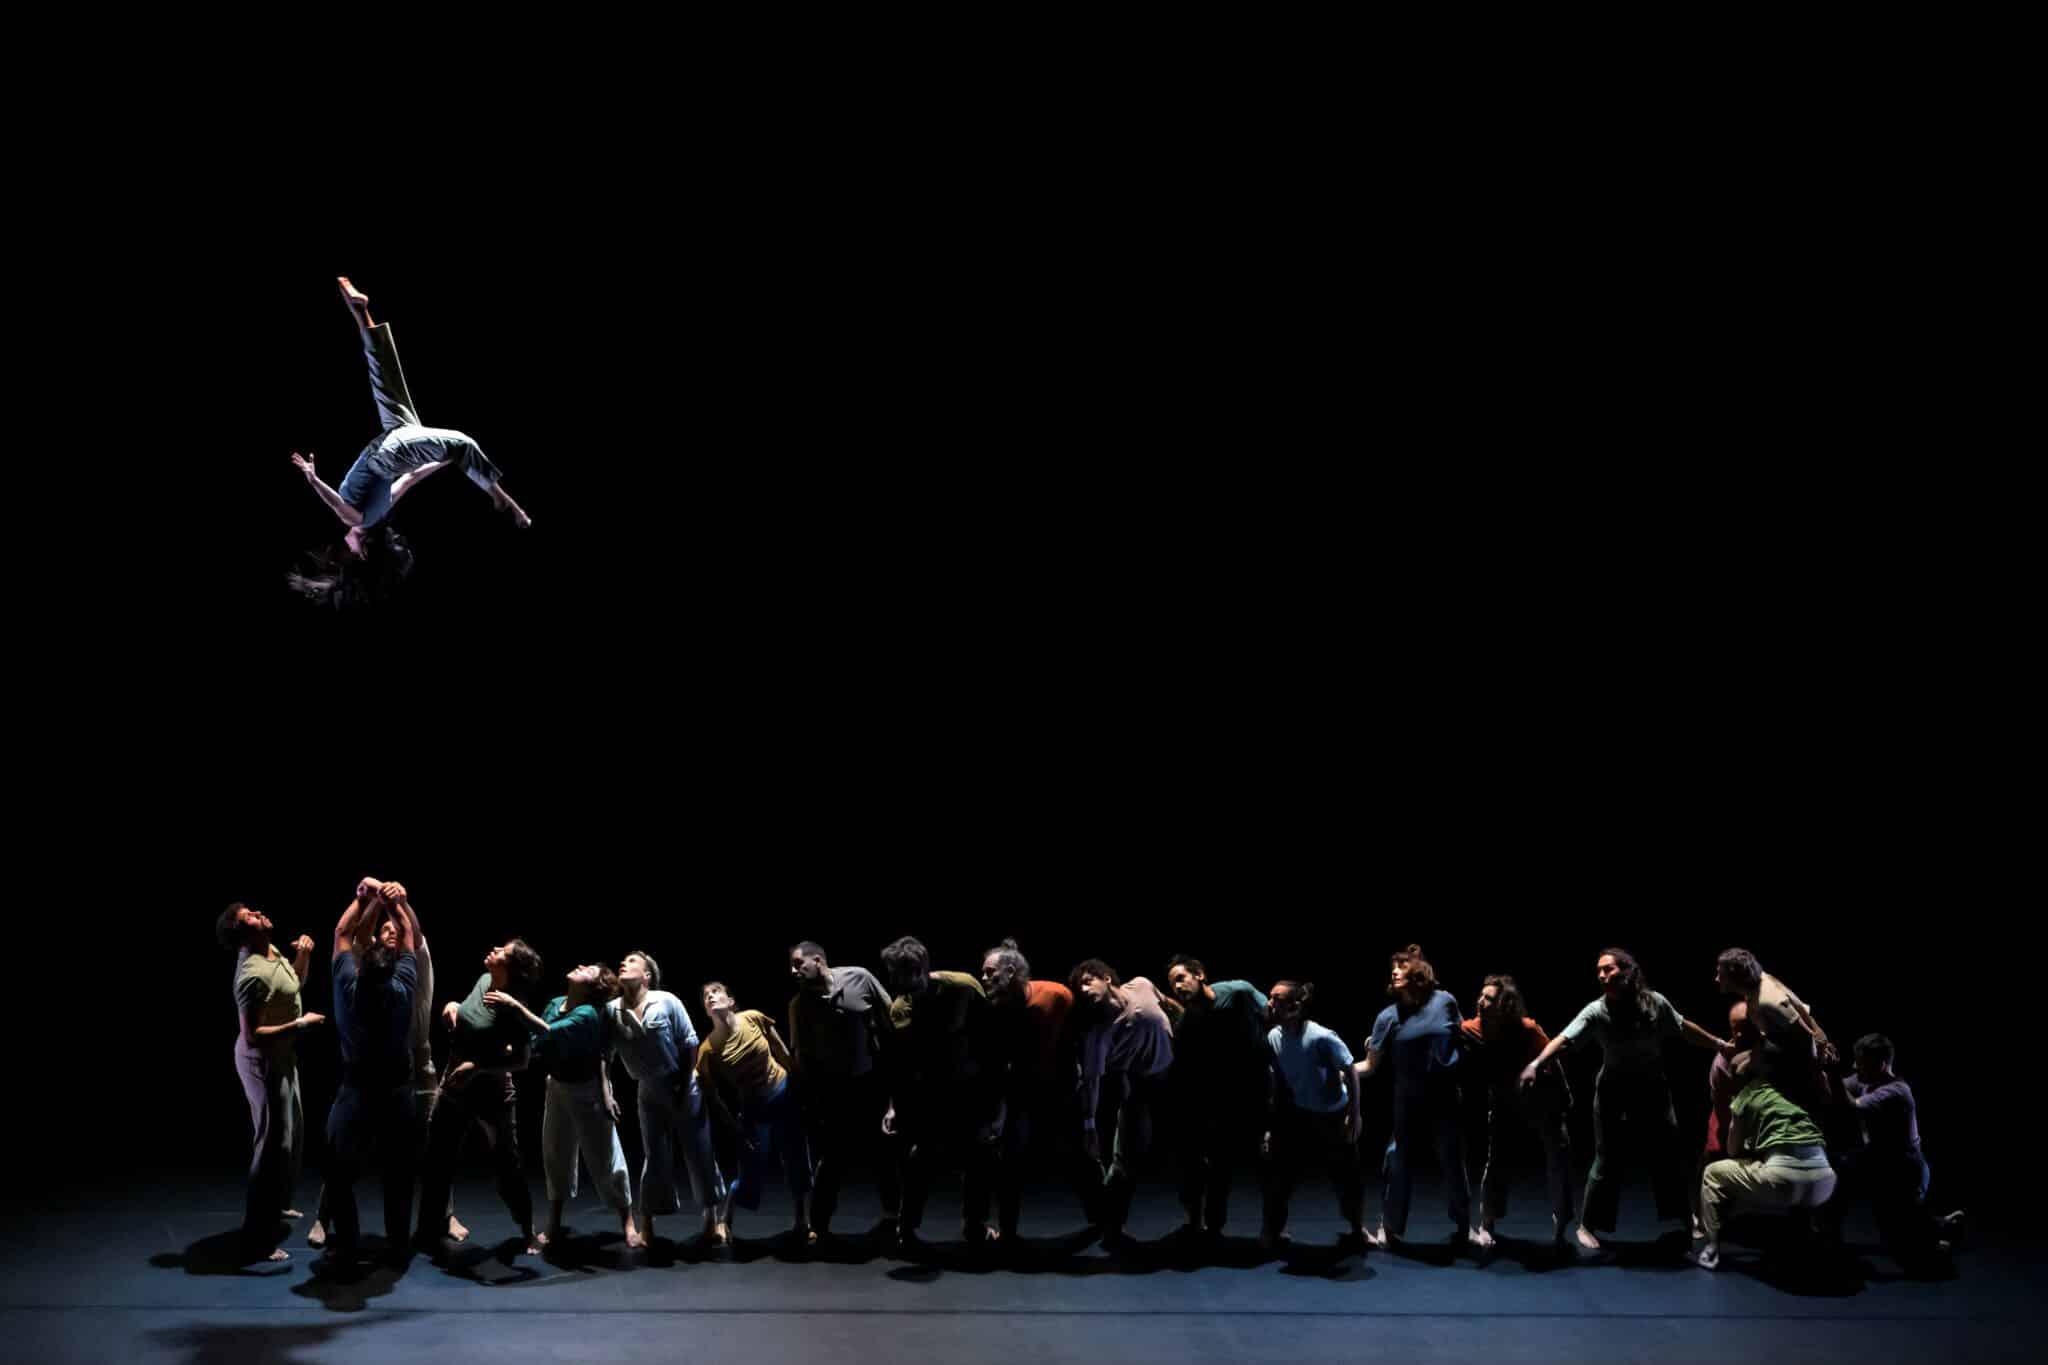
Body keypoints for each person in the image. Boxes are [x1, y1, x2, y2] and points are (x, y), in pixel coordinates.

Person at [287, 275, 530, 606]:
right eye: (349, 551)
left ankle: (360, 311)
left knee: (386, 374)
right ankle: (501, 499)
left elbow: (409, 478)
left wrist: (447, 459)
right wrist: (313, 479)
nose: (344, 544)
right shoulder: (362, 519)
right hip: (390, 451)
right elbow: (344, 502)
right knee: (460, 442)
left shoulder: (377, 514)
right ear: (362, 553)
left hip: (392, 444)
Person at [1520, 948, 1731, 1250]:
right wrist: (1536, 1064)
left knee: (1668, 1155)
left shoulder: (1655, 1003)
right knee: (1607, 1158)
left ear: (1629, 971)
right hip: (1613, 1091)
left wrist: (1718, 1044)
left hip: (1653, 1089)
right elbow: (1565, 1038)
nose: (1602, 976)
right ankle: (1587, 1225)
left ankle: (1686, 1218)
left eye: (1608, 969)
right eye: (1598, 971)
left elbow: (1683, 1027)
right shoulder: (1596, 1010)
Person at [491, 964, 637, 1250]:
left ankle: (628, 1220)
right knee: (556, 1153)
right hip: (557, 1085)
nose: (581, 966)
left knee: (605, 1156)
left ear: (594, 986)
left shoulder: (587, 1014)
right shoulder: (555, 1003)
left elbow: (545, 1030)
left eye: (589, 970)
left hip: (586, 1090)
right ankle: (555, 1223)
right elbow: (538, 1039)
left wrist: (514, 1007)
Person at [415, 938, 544, 1257]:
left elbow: (521, 1061)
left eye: (503, 953)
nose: (495, 950)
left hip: (492, 1095)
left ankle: (528, 1230)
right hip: (455, 1087)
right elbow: (470, 1018)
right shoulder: (484, 980)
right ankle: (428, 1230)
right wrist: (453, 1007)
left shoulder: (511, 1005)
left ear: (511, 968)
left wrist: (477, 1067)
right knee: (437, 1159)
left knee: (507, 1166)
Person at [321, 880, 421, 1261]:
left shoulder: (348, 986)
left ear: (361, 969)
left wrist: (364, 898)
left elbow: (341, 933)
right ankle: (398, 1244)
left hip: (357, 1092)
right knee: (399, 1173)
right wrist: (394, 903)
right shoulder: (403, 988)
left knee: (339, 1172)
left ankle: (348, 1243)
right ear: (392, 970)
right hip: (396, 1093)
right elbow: (409, 934)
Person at [218, 900, 323, 1263]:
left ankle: (275, 1204)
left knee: (291, 1137)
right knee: (270, 1147)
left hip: (282, 1056)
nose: (258, 913)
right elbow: (252, 1036)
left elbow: (293, 985)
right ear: (242, 933)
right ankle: (257, 1238)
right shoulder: (252, 974)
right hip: (261, 1062)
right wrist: (300, 1025)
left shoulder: (271, 951)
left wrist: (304, 956)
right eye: (249, 916)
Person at [881, 936, 1001, 1253]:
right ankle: (907, 1227)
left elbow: (992, 1037)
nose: (895, 981)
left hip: (970, 1089)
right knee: (920, 1159)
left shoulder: (962, 987)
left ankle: (975, 1226)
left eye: (900, 974)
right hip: (932, 1095)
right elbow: (901, 1063)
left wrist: (993, 1095)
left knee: (978, 1158)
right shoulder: (901, 1008)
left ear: (920, 969)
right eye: (892, 973)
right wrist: (894, 1106)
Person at [1358, 945, 1476, 1248]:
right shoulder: (1387, 1017)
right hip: (1408, 1100)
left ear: (1419, 972)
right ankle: (1390, 1226)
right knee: (1398, 1160)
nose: (1394, 972)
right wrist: (1341, 1069)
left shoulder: (1445, 1001)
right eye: (1392, 968)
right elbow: (1370, 1065)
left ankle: (1464, 1225)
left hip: (1444, 1096)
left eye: (1401, 966)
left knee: (1452, 1161)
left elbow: (1462, 1036)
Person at [609, 951, 727, 1246]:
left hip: (683, 1082)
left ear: (647, 976)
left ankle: (711, 1220)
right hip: (649, 1089)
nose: (624, 963)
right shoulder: (611, 1010)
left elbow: (689, 1043)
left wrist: (683, 1088)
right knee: (655, 1157)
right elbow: (603, 1054)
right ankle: (648, 1224)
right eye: (623, 961)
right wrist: (606, 1090)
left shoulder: (666, 1001)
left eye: (632, 961)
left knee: (700, 1153)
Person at [785, 941, 898, 1241]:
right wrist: (812, 1098)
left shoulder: (858, 977)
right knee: (832, 1156)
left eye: (798, 964)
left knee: (884, 1150)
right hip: (833, 1089)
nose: (793, 971)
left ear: (818, 960)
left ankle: (893, 1217)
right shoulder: (799, 1005)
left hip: (869, 1081)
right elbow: (801, 1056)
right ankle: (819, 1224)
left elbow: (892, 1017)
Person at [1820, 1033, 1963, 1269]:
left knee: (1902, 1244)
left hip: (1905, 1173)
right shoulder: (1865, 1080)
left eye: (1860, 1062)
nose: (1854, 1066)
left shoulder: (1895, 1091)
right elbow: (1834, 1089)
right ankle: (1939, 1227)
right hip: (1881, 1163)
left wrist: (1833, 1071)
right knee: (1839, 1171)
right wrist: (1821, 1064)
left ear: (1881, 1065)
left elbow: (1850, 1106)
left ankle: (1939, 1242)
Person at [981, 938, 1091, 1243]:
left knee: (1075, 1156)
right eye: (983, 972)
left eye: (990, 973)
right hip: (1021, 1091)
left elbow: (1080, 1036)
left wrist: (1080, 1079)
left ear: (1011, 972)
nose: (984, 978)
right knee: (1009, 1161)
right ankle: (1008, 1232)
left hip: (1059, 1089)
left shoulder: (1056, 995)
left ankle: (1101, 1218)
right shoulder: (995, 1008)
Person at [1694, 1052, 1837, 1270]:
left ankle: (1711, 1249)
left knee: (1713, 1172)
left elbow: (1732, 1150)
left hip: (1783, 1181)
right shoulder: (1794, 1089)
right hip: (1826, 1183)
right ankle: (1820, 1244)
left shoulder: (1747, 1094)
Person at [1070, 958, 1176, 1251]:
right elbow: (1091, 1082)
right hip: (1136, 1085)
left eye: (1088, 981)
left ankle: (1198, 1224)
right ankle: (1111, 1225)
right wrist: (1089, 1126)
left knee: (1187, 1151)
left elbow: (1168, 1004)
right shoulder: (1098, 1033)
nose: (1083, 988)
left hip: (1172, 1077)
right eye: (1079, 987)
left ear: (1106, 978)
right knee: (1126, 1159)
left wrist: (1185, 1025)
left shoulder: (1141, 985)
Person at [1459, 974, 1571, 1247]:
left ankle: (1562, 1222)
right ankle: (1487, 1222)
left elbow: (1552, 1057)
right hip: (1504, 1099)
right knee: (1497, 1159)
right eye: (1481, 996)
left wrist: (1565, 1093)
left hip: (1541, 1097)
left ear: (1504, 1004)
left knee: (1558, 1157)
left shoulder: (1527, 1028)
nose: (1481, 1002)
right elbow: (1445, 1031)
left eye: (1489, 998)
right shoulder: (1472, 1028)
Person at [697, 982, 813, 1244]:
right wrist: (734, 1127)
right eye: (706, 996)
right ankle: (725, 1220)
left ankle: (802, 1221)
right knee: (750, 1173)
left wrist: (798, 1084)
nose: (711, 996)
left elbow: (780, 1050)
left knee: (796, 1158)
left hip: (782, 1093)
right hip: (753, 1107)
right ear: (706, 1009)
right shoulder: (708, 1048)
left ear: (730, 1000)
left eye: (716, 992)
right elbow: (711, 1094)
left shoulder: (753, 1018)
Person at [1164, 955, 1269, 1240]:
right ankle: (1207, 1225)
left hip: (1255, 1090)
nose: (1177, 986)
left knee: (1266, 1160)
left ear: (1199, 974)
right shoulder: (1188, 1022)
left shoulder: (1237, 992)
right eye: (1172, 983)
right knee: (1210, 1163)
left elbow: (1271, 1014)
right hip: (1216, 1099)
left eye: (1181, 978)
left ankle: (1273, 1228)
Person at [1259, 981, 1365, 1249]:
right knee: (1280, 1176)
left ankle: (1357, 1229)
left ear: (1294, 1006)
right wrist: (1272, 1126)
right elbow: (1277, 1083)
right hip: (1299, 1114)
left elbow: (1350, 1070)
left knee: (1346, 1177)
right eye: (1270, 997)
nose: (1270, 1003)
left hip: (1332, 1115)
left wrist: (1354, 1114)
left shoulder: (1320, 1036)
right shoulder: (1273, 1037)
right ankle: (1273, 1231)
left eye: (1277, 998)